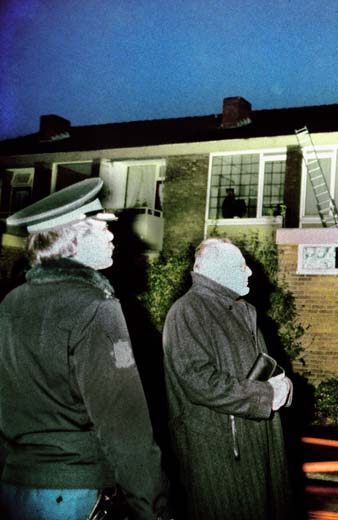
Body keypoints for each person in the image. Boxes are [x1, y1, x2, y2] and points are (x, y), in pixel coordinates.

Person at [0, 178, 170, 520]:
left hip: (15, 488)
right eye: (100, 227)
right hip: (78, 492)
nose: (112, 236)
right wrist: (153, 507)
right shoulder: (95, 306)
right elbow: (124, 425)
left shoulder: (10, 303)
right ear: (72, 236)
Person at [162, 238, 292, 520]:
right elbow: (199, 382)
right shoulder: (187, 312)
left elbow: (264, 367)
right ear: (215, 270)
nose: (250, 272)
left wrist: (284, 385)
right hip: (220, 454)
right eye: (241, 266)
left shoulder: (241, 310)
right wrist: (265, 396)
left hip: (253, 444)